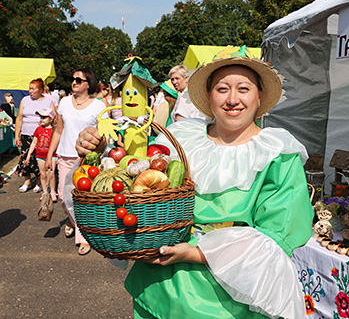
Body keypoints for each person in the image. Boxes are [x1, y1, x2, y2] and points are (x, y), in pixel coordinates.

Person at [76, 50, 314, 318]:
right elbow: (133, 176)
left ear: (259, 96)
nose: (232, 99)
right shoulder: (182, 139)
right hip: (160, 286)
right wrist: (100, 149)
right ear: (209, 96)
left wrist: (196, 253)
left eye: (244, 89)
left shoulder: (277, 154)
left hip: (231, 298)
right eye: (222, 88)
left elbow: (276, 236)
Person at [45, 68, 108, 256]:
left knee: (81, 200)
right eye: (73, 79)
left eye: (79, 80)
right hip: (65, 156)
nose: (74, 82)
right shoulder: (64, 103)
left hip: (87, 159)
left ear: (89, 83)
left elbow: (104, 134)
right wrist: (50, 154)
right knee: (64, 198)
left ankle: (83, 238)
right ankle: (72, 221)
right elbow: (58, 130)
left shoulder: (98, 106)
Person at [14, 78, 55, 193]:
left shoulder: (48, 101)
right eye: (29, 88)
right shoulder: (25, 100)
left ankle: (38, 181)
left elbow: (54, 118)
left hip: (42, 134)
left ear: (40, 90)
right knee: (25, 157)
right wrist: (17, 135)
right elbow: (19, 118)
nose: (30, 91)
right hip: (26, 133)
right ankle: (27, 180)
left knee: (39, 158)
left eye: (33, 89)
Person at [25, 108, 58, 202]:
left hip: (52, 156)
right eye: (41, 117)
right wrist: (29, 154)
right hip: (40, 156)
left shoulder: (55, 130)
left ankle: (52, 191)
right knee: (43, 175)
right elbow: (34, 143)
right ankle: (45, 192)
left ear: (51, 119)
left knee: (51, 174)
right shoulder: (38, 130)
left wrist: (59, 155)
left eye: (44, 117)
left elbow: (58, 143)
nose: (41, 119)